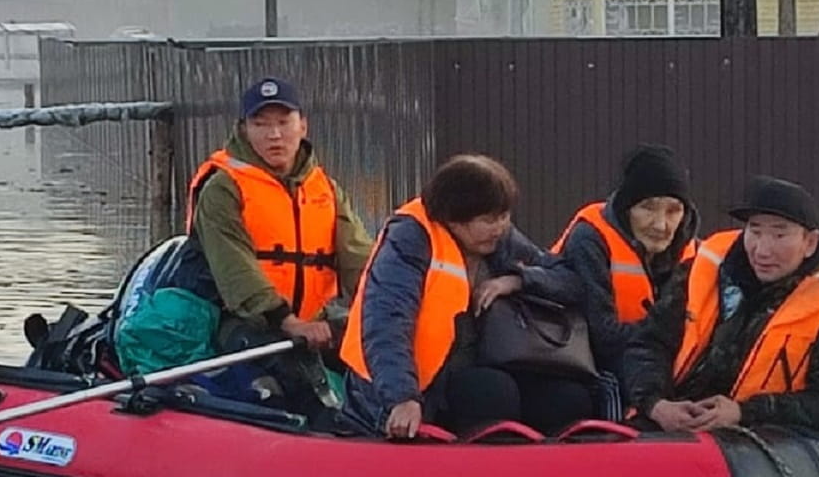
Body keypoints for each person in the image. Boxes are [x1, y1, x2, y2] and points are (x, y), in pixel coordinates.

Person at [340, 154, 592, 439]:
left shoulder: (500, 238)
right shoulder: (411, 238)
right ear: (453, 220)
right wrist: (402, 397)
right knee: (490, 391)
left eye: (504, 217)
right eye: (488, 220)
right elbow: (386, 321)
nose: (499, 227)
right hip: (404, 386)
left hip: (485, 362)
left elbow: (571, 282)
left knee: (568, 398)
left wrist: (519, 280)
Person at [163, 76, 374, 412]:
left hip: (317, 322)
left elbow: (358, 257)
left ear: (302, 125)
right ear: (244, 129)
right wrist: (289, 322)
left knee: (376, 369)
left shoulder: (326, 189)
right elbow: (235, 271)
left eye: (283, 122)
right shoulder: (223, 188)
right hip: (244, 323)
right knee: (297, 391)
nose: (274, 135)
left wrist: (380, 309)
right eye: (260, 124)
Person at [624, 175, 819, 438]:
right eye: (755, 232)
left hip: (763, 440)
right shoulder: (701, 271)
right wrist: (656, 405)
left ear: (810, 242)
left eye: (779, 234)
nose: (762, 250)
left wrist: (742, 412)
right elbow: (648, 343)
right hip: (676, 420)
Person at [551, 143, 700, 380]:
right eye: (647, 208)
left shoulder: (699, 254)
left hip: (665, 366)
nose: (661, 225)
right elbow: (602, 337)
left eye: (673, 211)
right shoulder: (590, 239)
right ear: (625, 208)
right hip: (591, 370)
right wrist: (672, 336)